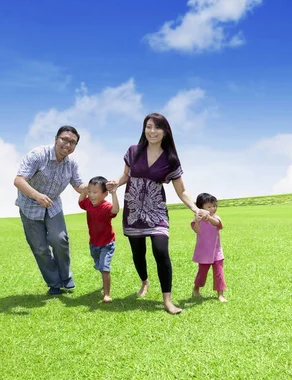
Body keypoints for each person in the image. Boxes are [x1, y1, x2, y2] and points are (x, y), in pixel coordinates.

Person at [106, 113, 209, 314]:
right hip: (133, 210)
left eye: (157, 128)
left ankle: (167, 301)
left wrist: (196, 208)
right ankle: (145, 281)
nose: (152, 131)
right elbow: (126, 175)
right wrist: (115, 183)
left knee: (161, 251)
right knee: (138, 253)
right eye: (148, 127)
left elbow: (182, 190)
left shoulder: (170, 159)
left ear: (165, 132)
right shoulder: (133, 151)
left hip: (156, 211)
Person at [14, 125, 87, 295]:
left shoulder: (71, 164)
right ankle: (54, 283)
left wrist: (95, 186)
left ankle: (66, 276)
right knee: (40, 247)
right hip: (30, 205)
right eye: (64, 140)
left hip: (53, 205)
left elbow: (78, 185)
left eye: (73, 143)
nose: (68, 145)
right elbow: (19, 180)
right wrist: (37, 195)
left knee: (60, 239)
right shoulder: (38, 155)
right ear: (56, 139)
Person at [78, 176, 119, 303]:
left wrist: (114, 194)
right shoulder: (88, 204)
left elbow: (115, 210)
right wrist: (83, 192)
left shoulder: (106, 207)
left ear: (104, 194)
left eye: (95, 192)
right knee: (99, 265)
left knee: (104, 268)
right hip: (94, 244)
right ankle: (101, 269)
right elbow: (80, 202)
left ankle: (107, 294)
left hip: (107, 243)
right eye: (89, 191)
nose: (91, 195)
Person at [191, 193, 227, 302]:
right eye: (209, 207)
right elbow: (197, 230)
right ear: (201, 208)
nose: (212, 208)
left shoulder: (215, 218)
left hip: (217, 252)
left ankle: (220, 294)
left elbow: (218, 225)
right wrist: (197, 220)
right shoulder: (196, 220)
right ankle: (196, 289)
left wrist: (209, 218)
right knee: (202, 273)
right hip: (204, 253)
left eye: (214, 206)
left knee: (219, 273)